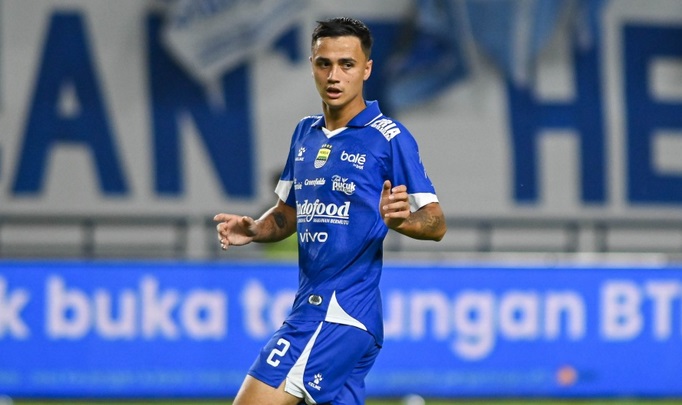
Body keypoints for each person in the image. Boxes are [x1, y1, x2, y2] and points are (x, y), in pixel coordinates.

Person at [214, 17, 446, 405]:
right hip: (327, 312)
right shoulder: (304, 134)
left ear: (366, 69)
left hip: (336, 312)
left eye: (346, 64)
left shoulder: (389, 138)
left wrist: (402, 220)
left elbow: (436, 223)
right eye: (325, 64)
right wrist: (255, 229)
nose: (334, 75)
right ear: (312, 66)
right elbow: (287, 214)